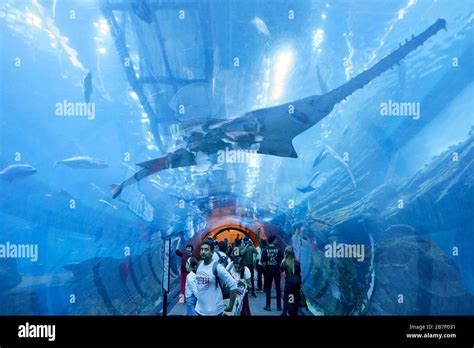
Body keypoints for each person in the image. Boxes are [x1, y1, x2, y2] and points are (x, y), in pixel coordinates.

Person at [195, 240, 238, 316]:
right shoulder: (199, 264)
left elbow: (233, 284)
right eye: (201, 249)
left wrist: (231, 306)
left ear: (212, 252)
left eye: (206, 249)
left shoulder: (217, 267)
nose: (203, 252)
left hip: (214, 312)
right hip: (199, 310)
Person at [261, 235, 283, 312]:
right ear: (273, 240)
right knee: (278, 288)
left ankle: (268, 306)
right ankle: (279, 306)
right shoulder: (279, 250)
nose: (276, 241)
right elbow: (281, 261)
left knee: (268, 288)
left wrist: (267, 267)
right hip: (277, 270)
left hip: (268, 271)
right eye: (275, 240)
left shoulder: (264, 250)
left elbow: (263, 262)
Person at [280, 246, 302, 316]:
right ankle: (291, 312)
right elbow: (299, 273)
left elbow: (281, 270)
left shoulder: (285, 262)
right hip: (297, 283)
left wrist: (283, 260)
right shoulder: (297, 263)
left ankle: (290, 312)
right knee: (294, 298)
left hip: (290, 283)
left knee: (289, 298)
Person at [175, 238, 194, 303]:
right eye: (187, 248)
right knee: (182, 285)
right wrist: (178, 242)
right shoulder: (184, 254)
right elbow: (177, 251)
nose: (188, 249)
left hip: (189, 273)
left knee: (188, 286)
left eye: (189, 248)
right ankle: (183, 298)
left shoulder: (193, 257)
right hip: (183, 272)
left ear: (192, 249)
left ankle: (188, 298)